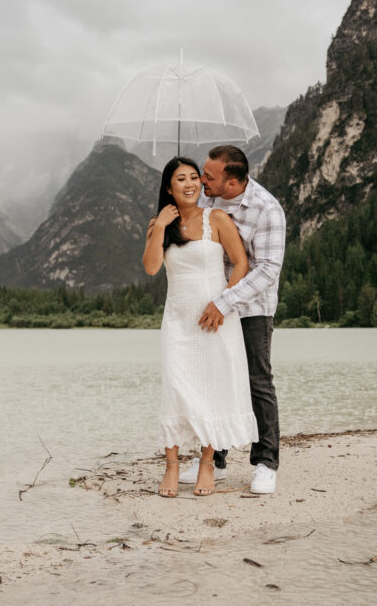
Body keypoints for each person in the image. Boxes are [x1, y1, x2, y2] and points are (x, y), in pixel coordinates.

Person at [142, 156, 258, 498]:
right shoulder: (159, 225)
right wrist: (160, 227)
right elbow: (150, 268)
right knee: (176, 387)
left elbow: (240, 263)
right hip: (178, 320)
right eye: (181, 179)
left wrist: (223, 303)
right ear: (168, 188)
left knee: (213, 387)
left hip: (215, 318)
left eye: (195, 177)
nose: (191, 184)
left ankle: (207, 464)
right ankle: (173, 466)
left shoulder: (217, 218)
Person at [177, 145, 286, 494]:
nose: (201, 180)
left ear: (234, 182)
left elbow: (268, 270)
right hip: (211, 304)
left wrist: (225, 301)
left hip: (251, 306)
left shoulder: (266, 209)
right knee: (214, 378)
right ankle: (214, 461)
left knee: (257, 381)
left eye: (209, 176)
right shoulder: (207, 200)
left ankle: (266, 462)